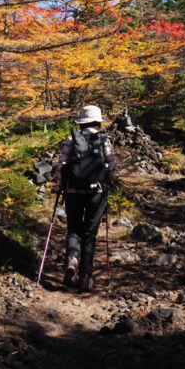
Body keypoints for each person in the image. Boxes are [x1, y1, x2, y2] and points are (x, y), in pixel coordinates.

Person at [53, 104, 116, 291]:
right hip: (96, 194)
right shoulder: (104, 140)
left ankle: (72, 259)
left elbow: (61, 166)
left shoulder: (71, 139)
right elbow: (111, 167)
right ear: (98, 122)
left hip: (72, 192)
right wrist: (106, 184)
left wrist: (58, 188)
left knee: (73, 229)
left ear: (81, 122)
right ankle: (86, 276)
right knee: (89, 234)